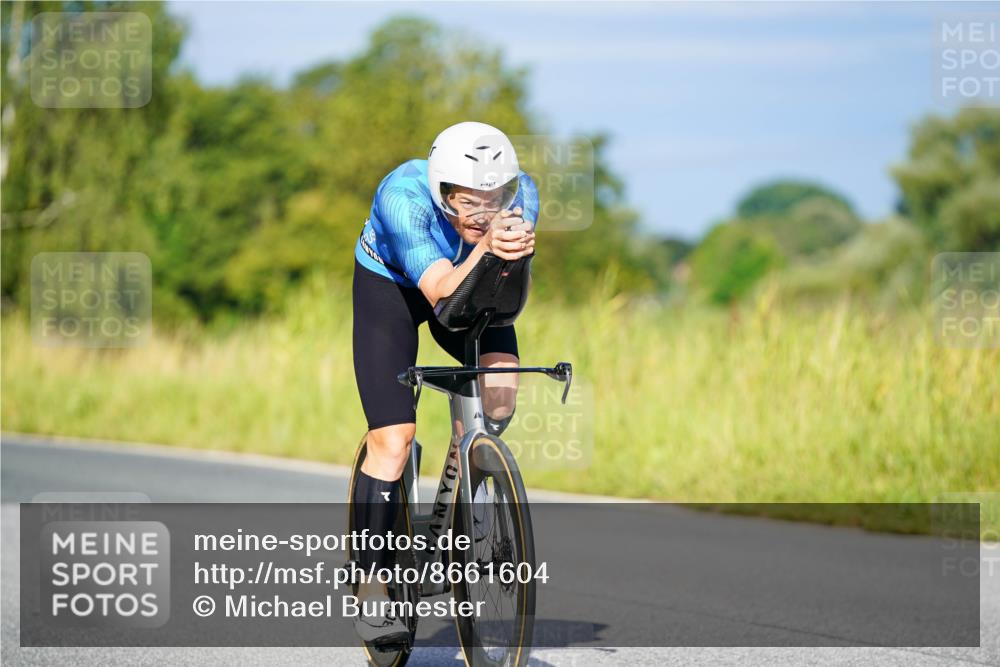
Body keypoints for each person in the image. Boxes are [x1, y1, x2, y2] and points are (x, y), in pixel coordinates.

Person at [351, 121, 538, 642]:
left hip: (471, 282)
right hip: (396, 286)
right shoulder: (403, 199)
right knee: (393, 441)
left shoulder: (525, 198)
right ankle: (370, 584)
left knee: (498, 399)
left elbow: (505, 298)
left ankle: (471, 489)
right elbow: (441, 293)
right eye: (469, 204)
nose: (484, 214)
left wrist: (508, 251)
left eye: (496, 199)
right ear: (441, 194)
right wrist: (489, 247)